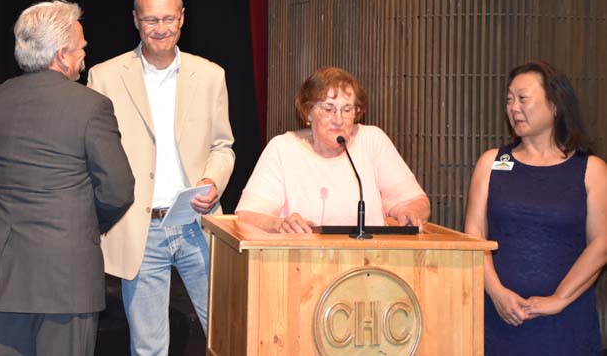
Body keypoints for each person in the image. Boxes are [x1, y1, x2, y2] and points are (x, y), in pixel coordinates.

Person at [0, 0, 135, 356]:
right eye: (81, 49)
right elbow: (119, 189)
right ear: (61, 55)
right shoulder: (91, 106)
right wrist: (85, 226)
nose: (84, 55)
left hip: (4, 274)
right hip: (66, 276)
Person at [88, 0, 235, 355]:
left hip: (197, 223)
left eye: (169, 18)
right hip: (141, 229)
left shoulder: (211, 75)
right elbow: (94, 156)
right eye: (152, 20)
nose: (161, 29)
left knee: (228, 334)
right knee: (149, 348)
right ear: (135, 19)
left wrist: (213, 181)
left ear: (183, 18)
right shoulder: (104, 77)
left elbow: (223, 146)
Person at [464, 61, 607, 356]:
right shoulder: (491, 162)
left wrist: (558, 299)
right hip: (499, 317)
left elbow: (602, 243)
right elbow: (474, 234)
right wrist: (497, 292)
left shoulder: (591, 170)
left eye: (523, 98)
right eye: (509, 99)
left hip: (566, 323)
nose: (514, 107)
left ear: (554, 104)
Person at [235, 66, 430, 233]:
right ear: (308, 111)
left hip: (369, 266)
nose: (338, 120)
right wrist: (279, 224)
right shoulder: (283, 148)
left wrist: (409, 212)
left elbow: (417, 202)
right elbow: (247, 216)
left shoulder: (372, 141)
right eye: (328, 109)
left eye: (347, 110)